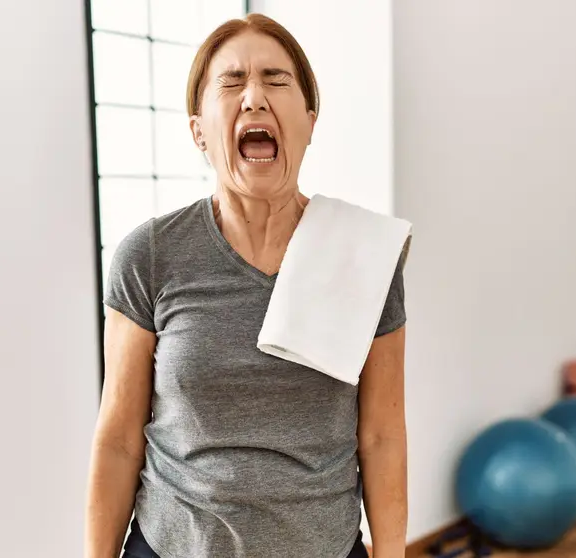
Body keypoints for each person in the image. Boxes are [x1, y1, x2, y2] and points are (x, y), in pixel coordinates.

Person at [84, 13, 409, 558]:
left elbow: (381, 436)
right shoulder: (150, 254)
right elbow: (117, 440)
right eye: (231, 82)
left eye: (276, 80)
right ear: (199, 131)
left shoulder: (365, 255)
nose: (255, 97)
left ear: (308, 122)